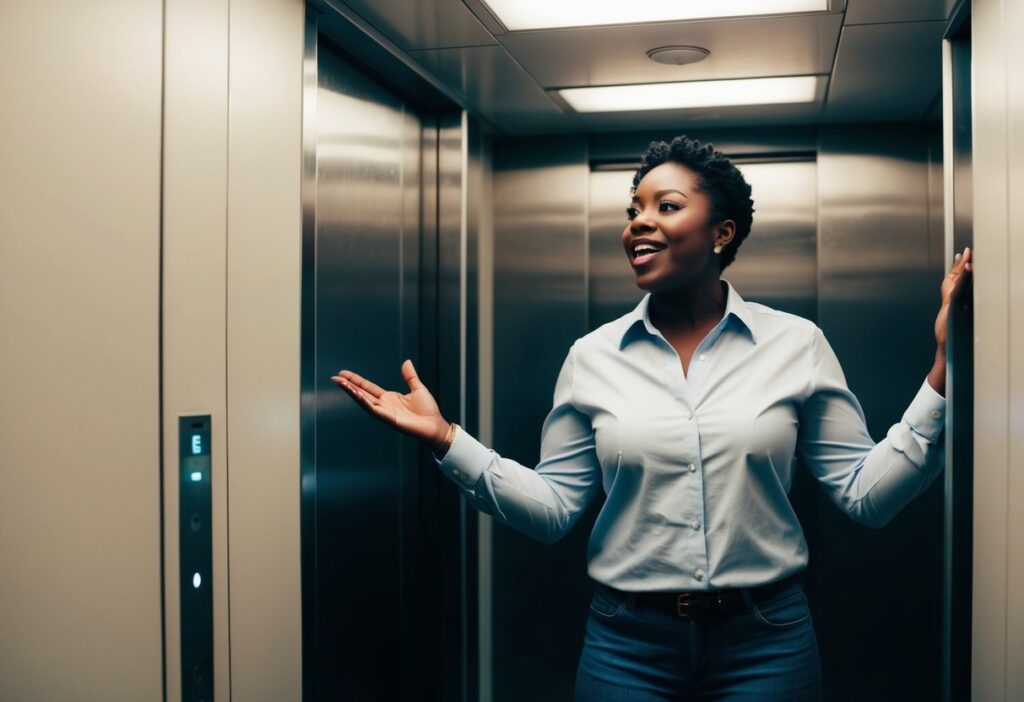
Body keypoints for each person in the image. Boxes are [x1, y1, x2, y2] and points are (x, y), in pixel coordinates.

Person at [331, 135, 973, 701]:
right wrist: (448, 441)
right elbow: (555, 508)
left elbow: (867, 495)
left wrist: (943, 366)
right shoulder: (591, 357)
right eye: (633, 209)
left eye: (666, 206)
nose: (640, 223)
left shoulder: (795, 344)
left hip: (768, 640)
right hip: (625, 645)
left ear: (722, 233)